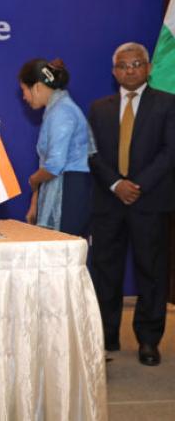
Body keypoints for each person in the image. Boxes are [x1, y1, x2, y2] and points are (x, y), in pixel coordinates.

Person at [88, 42, 175, 367]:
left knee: (150, 271)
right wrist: (116, 184)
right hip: (108, 202)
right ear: (114, 72)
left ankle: (149, 340)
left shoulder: (167, 104)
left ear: (148, 68)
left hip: (149, 201)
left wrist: (136, 185)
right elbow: (91, 152)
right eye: (123, 66)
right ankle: (106, 335)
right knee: (105, 271)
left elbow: (170, 151)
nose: (130, 70)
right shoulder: (99, 108)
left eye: (137, 64)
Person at [18, 58, 93, 235]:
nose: (24, 97)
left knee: (66, 247)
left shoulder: (61, 111)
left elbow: (54, 165)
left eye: (24, 90)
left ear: (37, 87)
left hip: (70, 189)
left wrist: (33, 180)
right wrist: (35, 201)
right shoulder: (57, 108)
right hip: (67, 184)